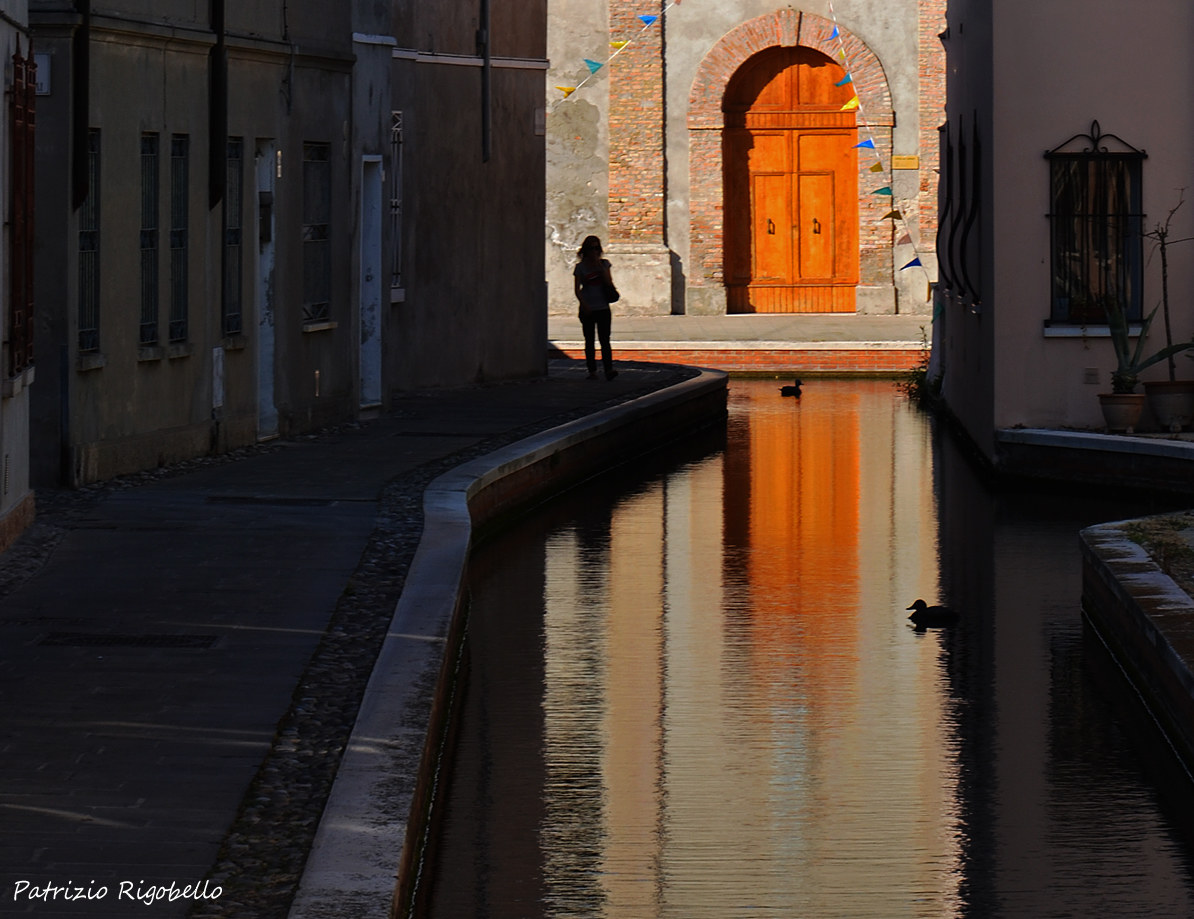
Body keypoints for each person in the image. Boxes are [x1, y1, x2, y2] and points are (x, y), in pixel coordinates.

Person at [573, 235, 619, 380]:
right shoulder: (580, 268)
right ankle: (592, 371)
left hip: (603, 307)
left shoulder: (605, 264)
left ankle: (608, 369)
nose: (594, 251)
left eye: (596, 248)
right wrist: (584, 304)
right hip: (588, 307)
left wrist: (600, 268)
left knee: (605, 339)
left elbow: (610, 283)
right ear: (585, 250)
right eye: (591, 248)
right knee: (589, 340)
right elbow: (577, 289)